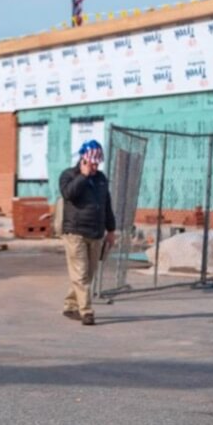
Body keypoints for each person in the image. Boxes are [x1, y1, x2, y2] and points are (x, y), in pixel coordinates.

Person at [58, 139, 116, 326]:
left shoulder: (100, 179)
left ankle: (70, 305)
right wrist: (82, 176)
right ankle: (86, 311)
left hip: (96, 232)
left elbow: (106, 205)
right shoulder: (68, 175)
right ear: (83, 160)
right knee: (81, 273)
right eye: (92, 162)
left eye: (97, 163)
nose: (94, 166)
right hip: (75, 233)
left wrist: (111, 230)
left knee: (88, 274)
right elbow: (69, 194)